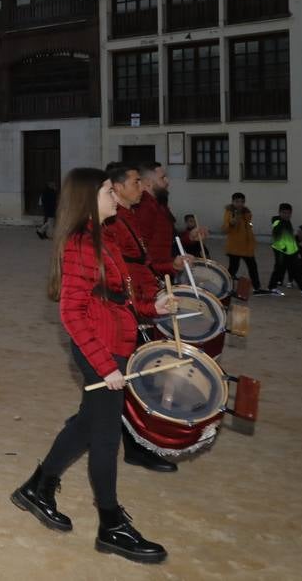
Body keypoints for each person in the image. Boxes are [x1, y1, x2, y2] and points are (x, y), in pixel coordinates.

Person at [10, 167, 170, 564]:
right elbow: (72, 313)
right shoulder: (81, 244)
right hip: (100, 348)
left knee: (88, 422)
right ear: (87, 197)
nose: (114, 195)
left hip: (112, 343)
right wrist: (105, 366)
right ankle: (111, 524)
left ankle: (38, 486)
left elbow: (117, 296)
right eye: (105, 190)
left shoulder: (106, 238)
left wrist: (152, 308)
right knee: (105, 436)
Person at [104, 163, 183, 473]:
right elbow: (120, 274)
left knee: (137, 381)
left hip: (141, 302)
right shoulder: (113, 223)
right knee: (129, 384)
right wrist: (143, 305)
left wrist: (169, 267)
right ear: (117, 187)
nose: (143, 188)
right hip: (128, 310)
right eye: (137, 182)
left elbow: (145, 259)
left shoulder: (132, 216)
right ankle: (136, 446)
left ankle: (140, 443)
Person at [223, 193, 260, 295]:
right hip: (235, 246)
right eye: (237, 201)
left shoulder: (246, 213)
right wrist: (232, 222)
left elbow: (248, 227)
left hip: (246, 246)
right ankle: (226, 287)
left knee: (252, 267)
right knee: (233, 268)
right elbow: (225, 227)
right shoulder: (230, 212)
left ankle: (257, 288)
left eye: (242, 202)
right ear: (233, 202)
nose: (240, 204)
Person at [269, 203, 298, 296]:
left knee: (283, 267)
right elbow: (277, 236)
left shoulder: (287, 222)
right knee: (279, 267)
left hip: (286, 249)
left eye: (288, 213)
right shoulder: (279, 222)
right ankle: (272, 287)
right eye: (284, 213)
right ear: (280, 212)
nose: (286, 215)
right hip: (280, 249)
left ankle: (274, 286)